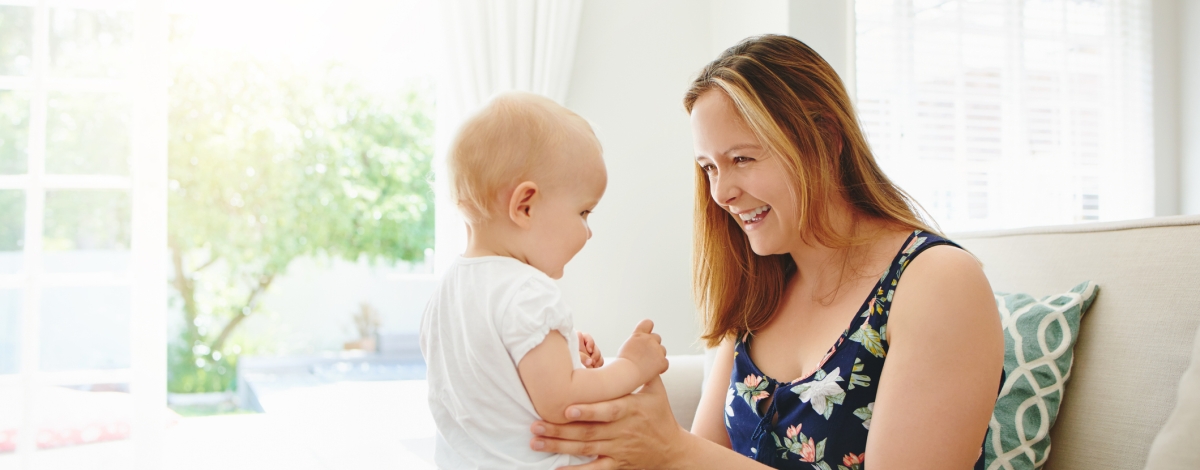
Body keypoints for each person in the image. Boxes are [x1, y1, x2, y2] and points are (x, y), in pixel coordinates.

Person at [528, 35, 1004, 469]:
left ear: (826, 140)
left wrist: (672, 447)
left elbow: (691, 455)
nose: (722, 193)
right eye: (709, 167)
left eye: (742, 159)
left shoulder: (938, 282)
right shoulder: (760, 291)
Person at [420, 92, 669, 469]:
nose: (588, 233)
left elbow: (494, 388)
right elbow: (560, 402)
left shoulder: (446, 292)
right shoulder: (527, 290)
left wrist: (565, 354)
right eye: (583, 212)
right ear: (525, 206)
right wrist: (632, 366)